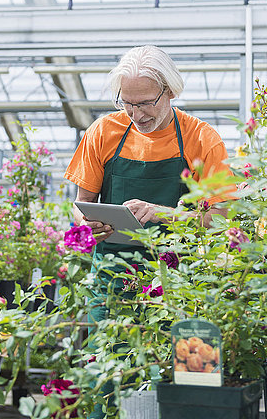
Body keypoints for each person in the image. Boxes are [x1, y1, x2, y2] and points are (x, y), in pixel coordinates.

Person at [64, 46, 234, 418]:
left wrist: (164, 213)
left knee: (186, 378)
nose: (136, 114)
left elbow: (221, 219)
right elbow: (80, 206)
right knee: (108, 375)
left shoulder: (201, 139)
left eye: (145, 103)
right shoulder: (103, 132)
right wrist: (88, 223)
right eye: (127, 103)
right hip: (113, 279)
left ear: (170, 92)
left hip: (180, 283)